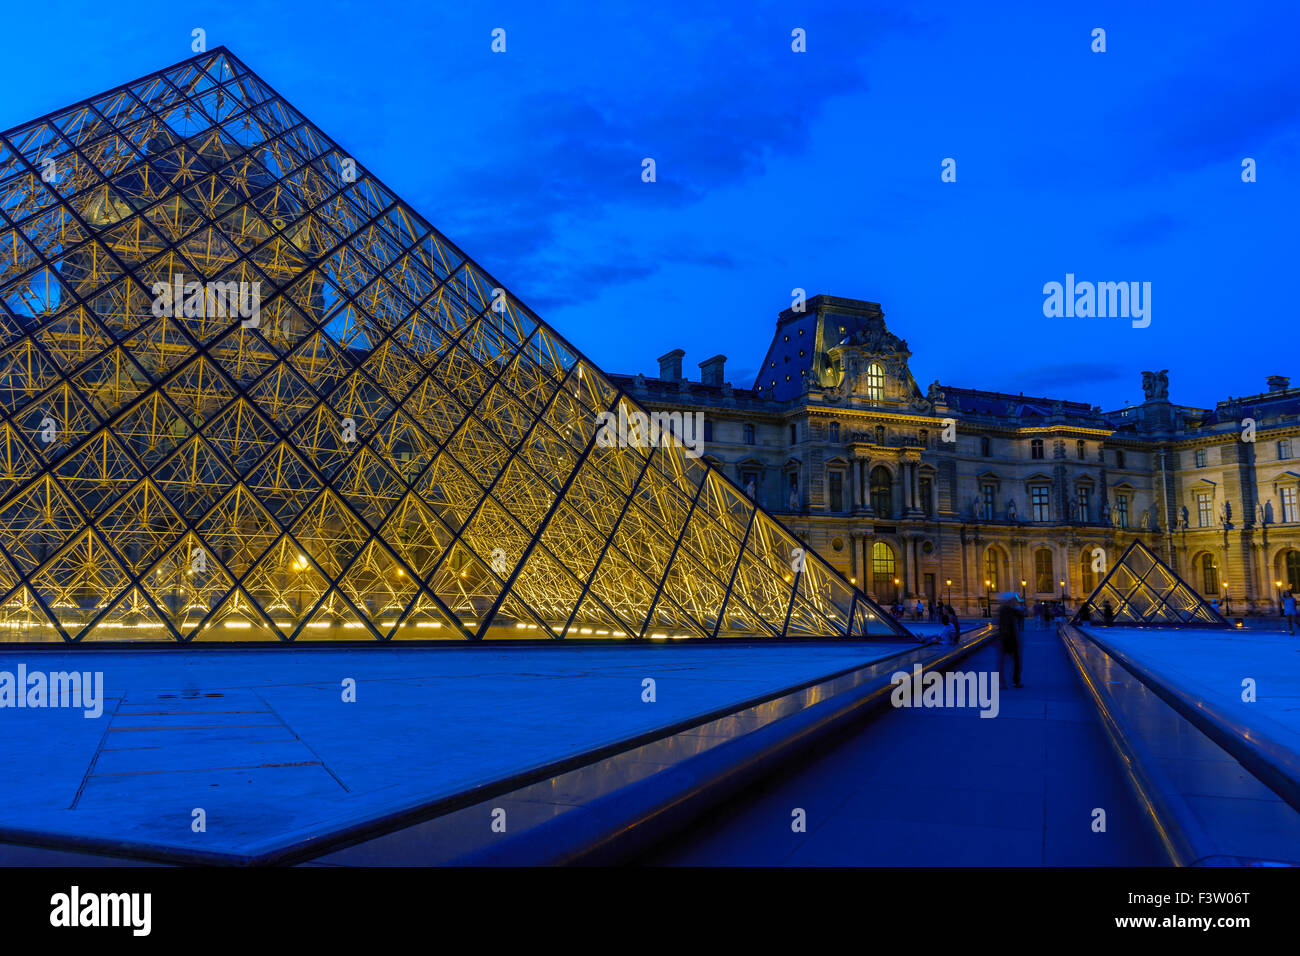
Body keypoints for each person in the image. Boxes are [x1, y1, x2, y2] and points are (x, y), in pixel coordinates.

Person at [996, 591, 1023, 689]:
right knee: (1015, 661)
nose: (1015, 601)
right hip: (1009, 639)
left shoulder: (1003, 610)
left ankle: (1002, 682)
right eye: (1013, 600)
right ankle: (1015, 681)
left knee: (1002, 662)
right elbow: (1021, 615)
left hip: (1004, 639)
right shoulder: (1009, 610)